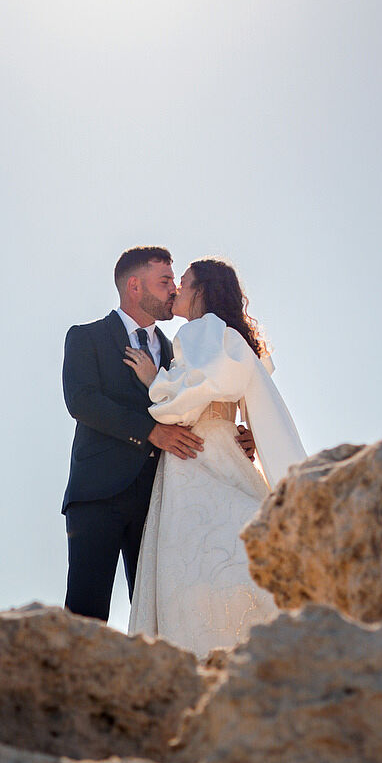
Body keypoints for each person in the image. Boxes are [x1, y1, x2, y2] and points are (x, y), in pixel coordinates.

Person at [125, 257, 306, 655]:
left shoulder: (198, 330)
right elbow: (244, 394)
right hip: (228, 451)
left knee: (191, 568)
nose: (175, 290)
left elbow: (192, 398)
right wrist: (252, 439)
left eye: (183, 282)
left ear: (202, 290)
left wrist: (153, 379)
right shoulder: (228, 335)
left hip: (196, 455)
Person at [60, 247, 194, 621]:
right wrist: (150, 431)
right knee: (85, 617)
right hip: (97, 495)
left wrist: (235, 436)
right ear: (134, 286)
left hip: (158, 498)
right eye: (164, 281)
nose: (174, 289)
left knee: (156, 615)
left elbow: (195, 406)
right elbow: (82, 401)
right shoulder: (86, 337)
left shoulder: (178, 354)